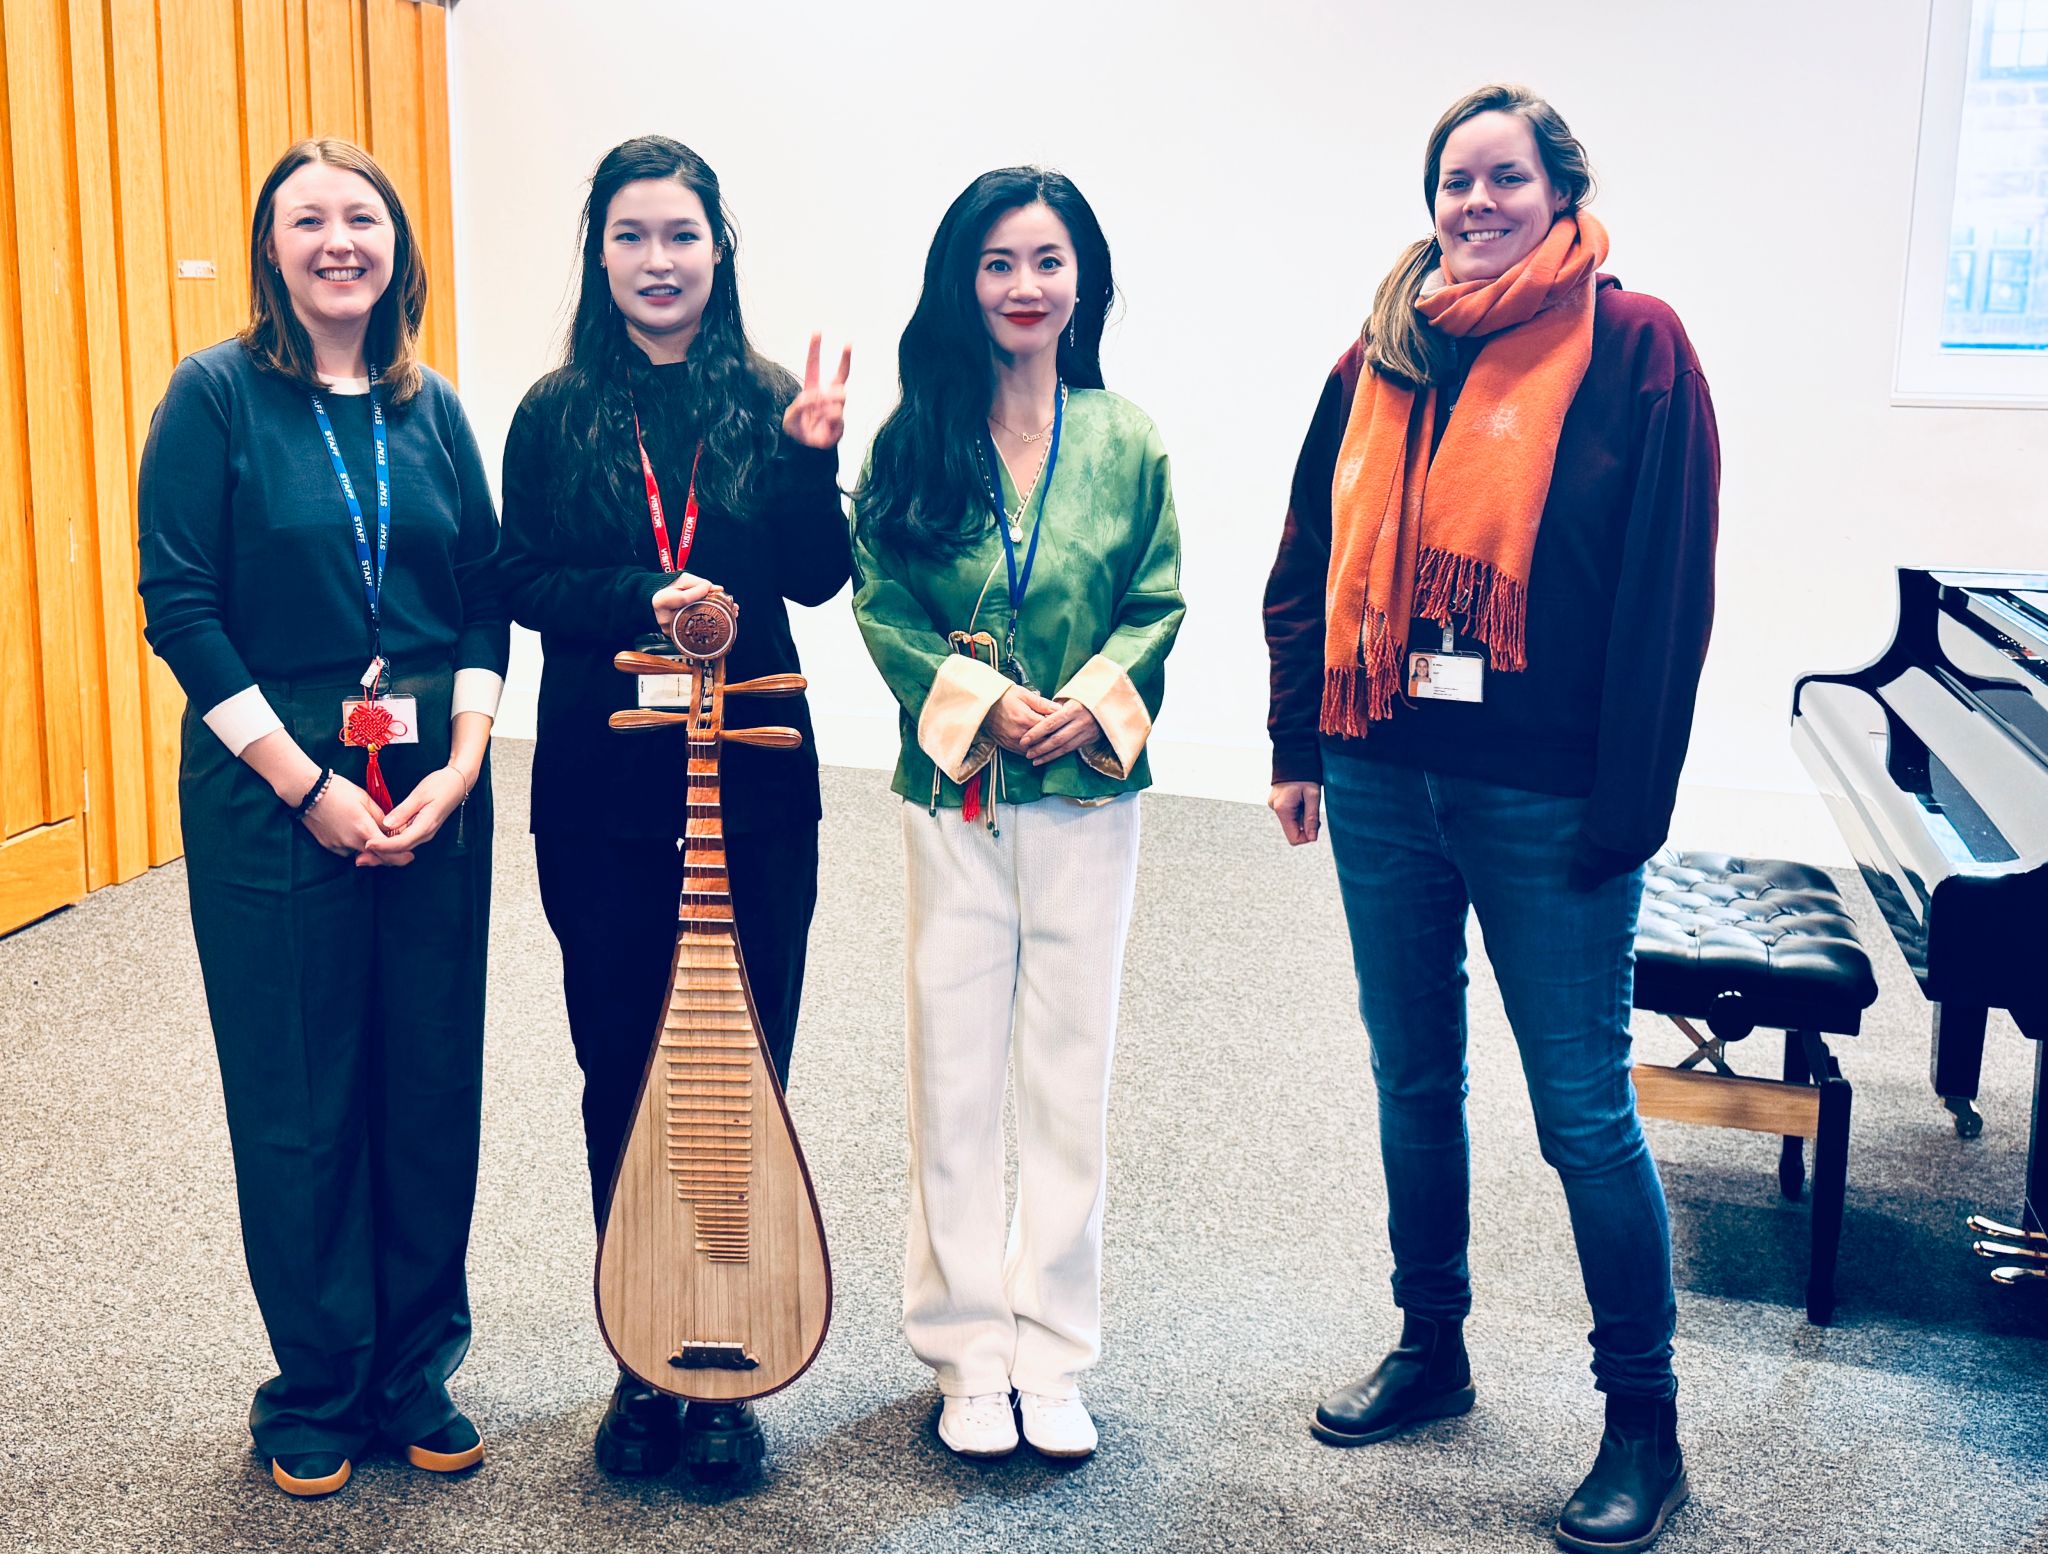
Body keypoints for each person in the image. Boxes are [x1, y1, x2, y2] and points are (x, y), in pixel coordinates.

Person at [1262, 85, 1719, 1553]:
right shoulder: (1380, 353)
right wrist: (1299, 740)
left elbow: (1666, 589)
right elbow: (1307, 554)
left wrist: (1630, 803)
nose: (1477, 203)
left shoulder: (1635, 348)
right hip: (1382, 771)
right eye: (1456, 180)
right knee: (1413, 1077)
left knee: (1583, 1112)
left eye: (1506, 178)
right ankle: (1432, 1344)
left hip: (1549, 795)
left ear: (1560, 190)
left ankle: (1643, 1425)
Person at [138, 138, 506, 1498]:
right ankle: (318, 1383)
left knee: (428, 1078)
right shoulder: (216, 396)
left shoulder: (433, 406)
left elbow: (483, 594)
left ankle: (412, 1371)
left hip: (431, 780)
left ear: (397, 247)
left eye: (363, 217)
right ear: (271, 249)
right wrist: (305, 781)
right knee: (300, 1087)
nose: (340, 240)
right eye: (309, 219)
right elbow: (181, 605)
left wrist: (463, 761)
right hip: (271, 788)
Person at [494, 135, 851, 1480]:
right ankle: (643, 1356)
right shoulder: (553, 412)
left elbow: (815, 579)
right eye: (632, 236)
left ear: (718, 250)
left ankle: (731, 1368)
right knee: (622, 1070)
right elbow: (522, 579)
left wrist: (812, 462)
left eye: (681, 235)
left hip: (754, 787)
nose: (659, 261)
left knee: (742, 1068)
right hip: (604, 792)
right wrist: (645, 594)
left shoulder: (770, 399)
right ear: (600, 255)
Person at [852, 167, 1184, 1463]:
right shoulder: (912, 441)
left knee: (1067, 1075)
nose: (1025, 285)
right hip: (958, 797)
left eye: (1048, 261)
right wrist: (981, 703)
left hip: (1087, 794)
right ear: (963, 282)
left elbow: (1157, 602)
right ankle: (964, 1350)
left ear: (1082, 281)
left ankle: (1052, 1348)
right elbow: (880, 597)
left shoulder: (1127, 440)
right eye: (999, 262)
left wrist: (1088, 703)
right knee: (955, 1077)